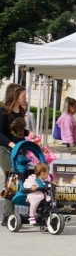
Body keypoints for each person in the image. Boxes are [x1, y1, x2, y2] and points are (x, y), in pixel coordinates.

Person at [0, 83, 27, 226]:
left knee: (19, 177)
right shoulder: (3, 111)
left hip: (19, 149)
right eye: (23, 96)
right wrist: (10, 144)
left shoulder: (20, 111)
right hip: (5, 149)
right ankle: (8, 215)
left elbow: (19, 129)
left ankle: (10, 214)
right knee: (12, 179)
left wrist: (29, 134)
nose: (25, 98)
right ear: (15, 96)